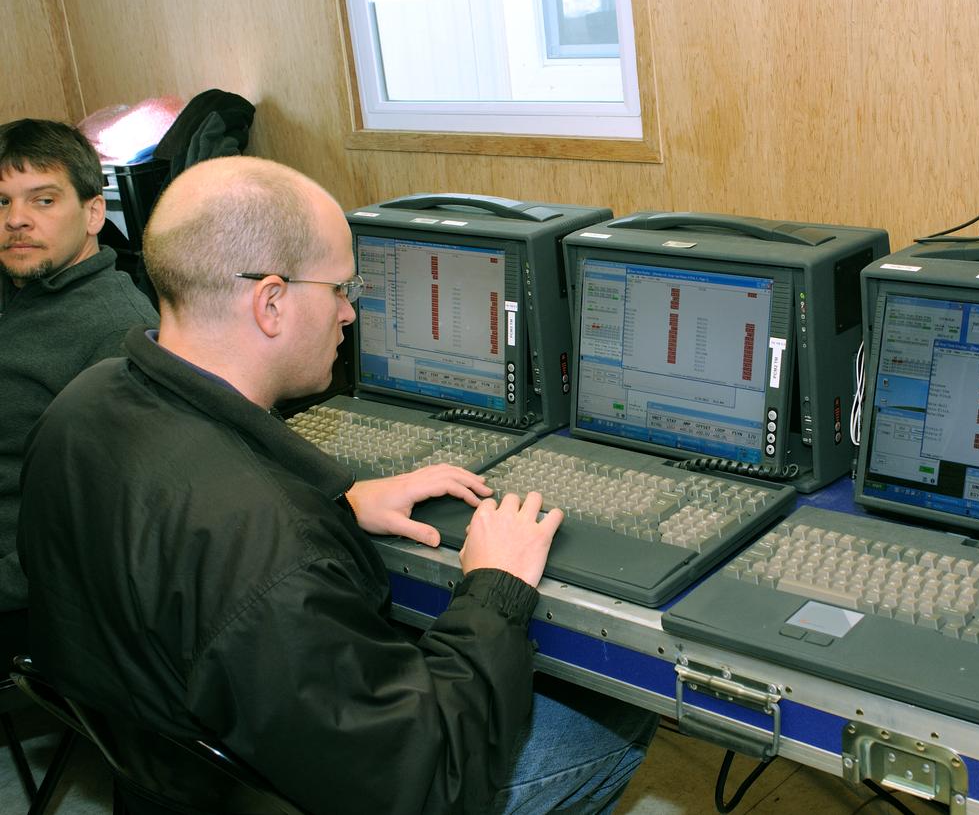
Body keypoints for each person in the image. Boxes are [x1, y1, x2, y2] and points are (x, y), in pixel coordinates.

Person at [19, 156, 656, 814]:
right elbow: (426, 779)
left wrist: (336, 501)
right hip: (293, 795)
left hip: (162, 773)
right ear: (270, 301)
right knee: (613, 709)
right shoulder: (274, 553)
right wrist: (493, 589)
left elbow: (170, 540)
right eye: (338, 290)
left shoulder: (81, 406)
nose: (350, 314)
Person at [0, 118, 158, 660]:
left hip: (24, 592)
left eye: (43, 201)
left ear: (94, 213)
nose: (16, 220)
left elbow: (98, 522)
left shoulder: (116, 333)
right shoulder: (18, 285)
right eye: (1, 203)